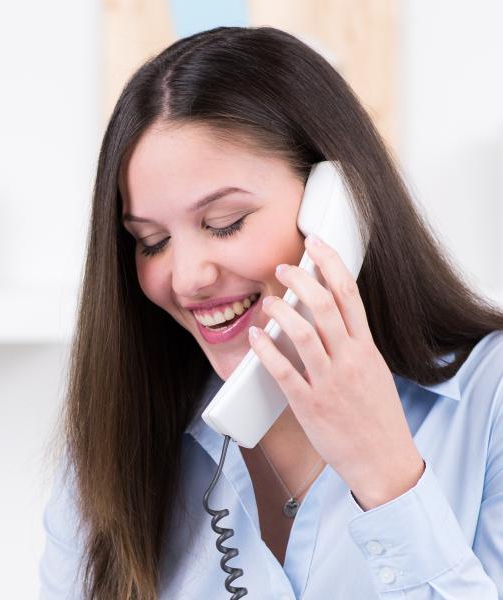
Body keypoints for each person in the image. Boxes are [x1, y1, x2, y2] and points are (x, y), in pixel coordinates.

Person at [39, 26, 503, 599]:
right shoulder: (116, 442)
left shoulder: (491, 401)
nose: (186, 278)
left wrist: (385, 476)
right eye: (152, 241)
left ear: (336, 206)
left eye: (224, 223)